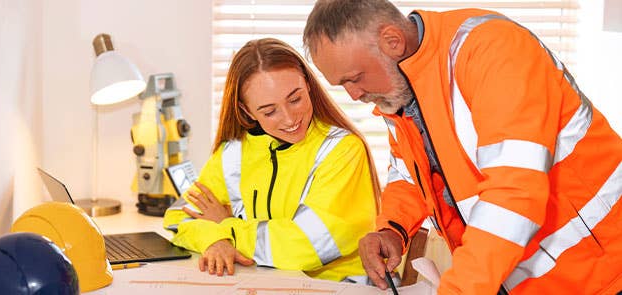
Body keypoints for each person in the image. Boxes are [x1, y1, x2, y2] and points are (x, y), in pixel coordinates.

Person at [303, 0, 622, 294]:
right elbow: (410, 173)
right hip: (527, 280)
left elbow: (513, 195)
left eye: (354, 78)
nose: (353, 95)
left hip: (605, 274)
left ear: (392, 41)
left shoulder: (492, 50)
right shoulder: (399, 89)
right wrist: (391, 231)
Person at [163, 37, 380, 283]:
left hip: (337, 287)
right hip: (263, 283)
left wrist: (226, 226)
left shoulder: (343, 149)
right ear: (247, 111)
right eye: (269, 111)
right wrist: (213, 239)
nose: (289, 119)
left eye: (295, 99)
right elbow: (178, 217)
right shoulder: (233, 153)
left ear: (308, 84)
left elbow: (306, 246)